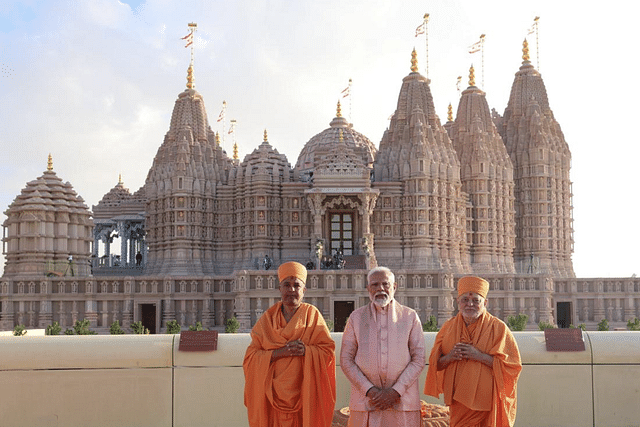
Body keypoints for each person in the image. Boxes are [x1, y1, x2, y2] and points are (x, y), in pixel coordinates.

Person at [243, 261, 336, 427]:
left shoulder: (312, 315)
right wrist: (278, 353)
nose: (291, 290)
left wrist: (307, 351)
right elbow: (250, 357)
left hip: (305, 393)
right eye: (287, 285)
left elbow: (327, 351)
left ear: (304, 290)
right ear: (280, 289)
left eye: (296, 285)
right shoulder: (268, 319)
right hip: (272, 395)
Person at [424, 276, 522, 427]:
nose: (470, 304)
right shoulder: (448, 328)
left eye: (476, 300)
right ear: (458, 302)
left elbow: (512, 367)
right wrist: (451, 357)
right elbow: (436, 364)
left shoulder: (498, 328)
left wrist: (478, 356)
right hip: (458, 402)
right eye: (465, 300)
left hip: (486, 403)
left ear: (485, 303)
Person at [340, 266, 425, 427]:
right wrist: (369, 390)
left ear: (394, 287)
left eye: (385, 284)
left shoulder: (410, 316)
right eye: (374, 285)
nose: (380, 289)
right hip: (366, 401)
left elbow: (419, 359)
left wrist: (396, 391)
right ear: (368, 288)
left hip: (402, 401)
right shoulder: (356, 317)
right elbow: (346, 360)